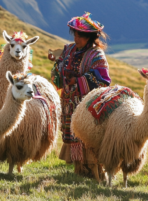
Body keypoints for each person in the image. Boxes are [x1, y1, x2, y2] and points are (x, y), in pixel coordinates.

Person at [49, 12, 111, 178]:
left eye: (81, 36)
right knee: (73, 135)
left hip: (87, 105)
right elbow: (58, 73)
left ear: (90, 37)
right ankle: (79, 170)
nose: (77, 38)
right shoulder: (68, 50)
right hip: (69, 104)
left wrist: (78, 81)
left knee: (88, 137)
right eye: (75, 34)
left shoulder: (96, 55)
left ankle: (95, 171)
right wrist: (58, 65)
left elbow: (102, 81)